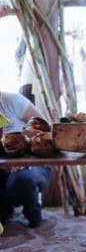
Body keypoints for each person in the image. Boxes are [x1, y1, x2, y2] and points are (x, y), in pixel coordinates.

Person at [0, 92, 51, 228]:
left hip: (32, 163)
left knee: (21, 181)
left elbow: (47, 133)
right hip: (3, 167)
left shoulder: (9, 100)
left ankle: (33, 215)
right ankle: (6, 210)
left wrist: (26, 160)